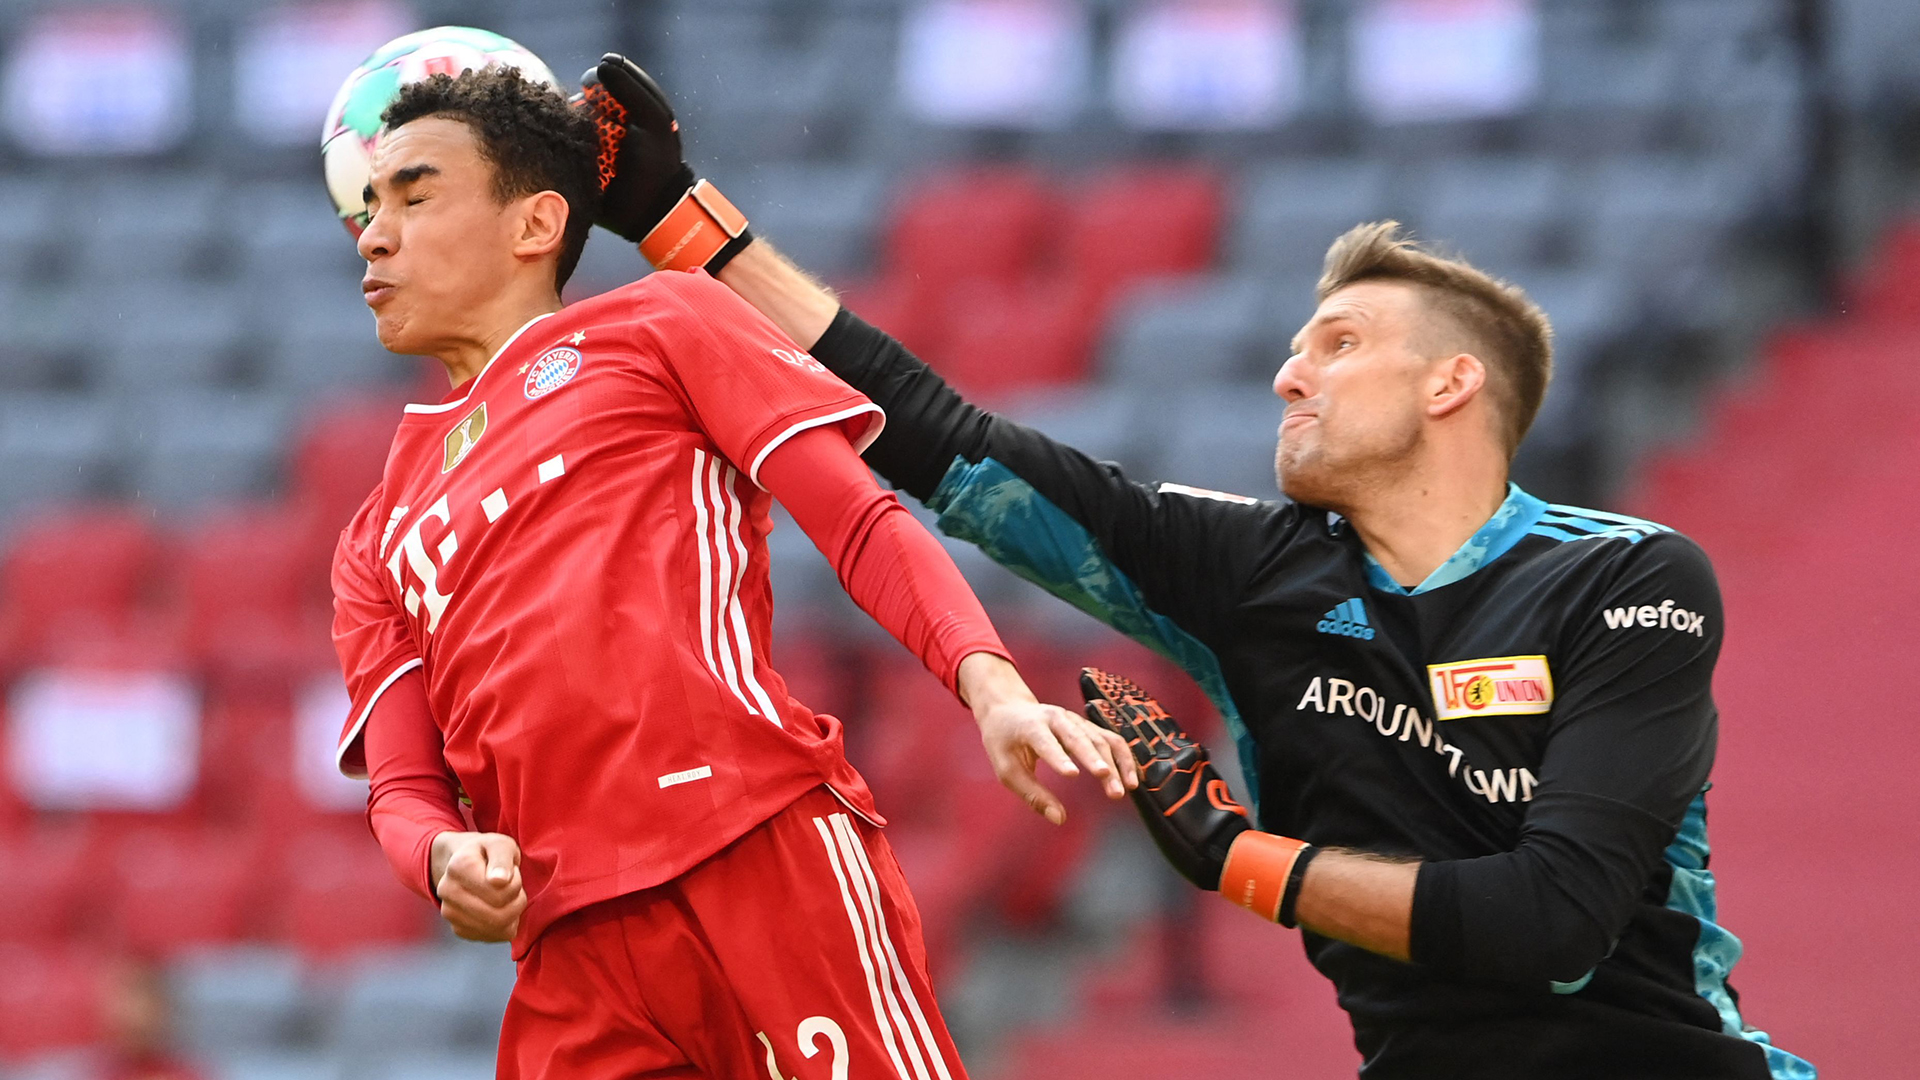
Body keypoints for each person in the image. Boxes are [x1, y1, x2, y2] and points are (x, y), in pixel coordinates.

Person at [575, 54, 1818, 1080]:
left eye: (1339, 343)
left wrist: (1235, 861)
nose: (1290, 375)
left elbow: (1551, 924)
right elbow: (943, 442)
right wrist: (685, 224)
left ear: (1454, 383)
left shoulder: (1631, 578)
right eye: (1293, 347)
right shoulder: (1243, 571)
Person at [329, 67, 1136, 1080]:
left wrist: (992, 682)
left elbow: (860, 518)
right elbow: (403, 786)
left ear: (536, 222)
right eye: (368, 208)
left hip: (756, 851)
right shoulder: (374, 535)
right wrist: (440, 858)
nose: (372, 232)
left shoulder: (662, 323)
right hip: (571, 946)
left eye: (413, 195)